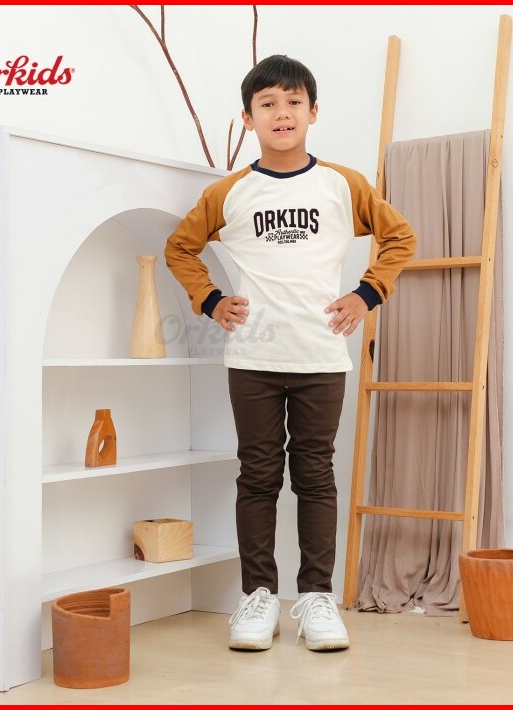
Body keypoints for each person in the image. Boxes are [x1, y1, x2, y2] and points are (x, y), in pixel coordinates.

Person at [165, 54, 417, 652]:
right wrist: (211, 300)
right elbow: (180, 248)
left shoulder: (343, 185)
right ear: (248, 118)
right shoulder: (229, 192)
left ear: (313, 112)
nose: (282, 113)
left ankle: (316, 598)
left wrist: (366, 294)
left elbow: (400, 237)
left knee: (315, 476)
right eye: (268, 104)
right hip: (252, 358)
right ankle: (257, 599)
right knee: (257, 476)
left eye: (293, 102)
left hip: (321, 358)